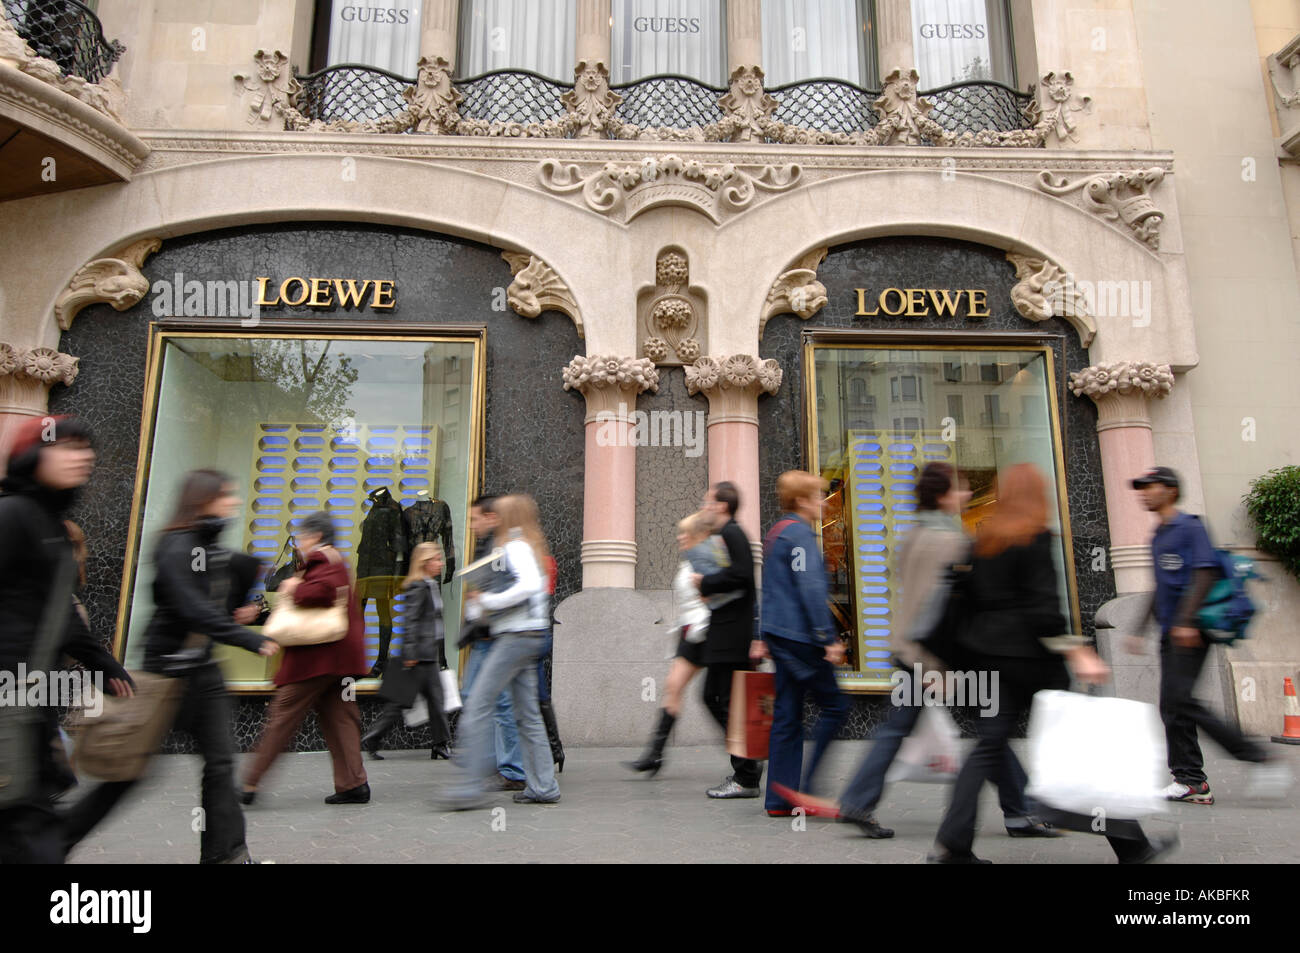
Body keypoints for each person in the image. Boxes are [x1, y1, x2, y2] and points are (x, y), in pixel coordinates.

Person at [929, 463, 1170, 864]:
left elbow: (964, 601)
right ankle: (1133, 847)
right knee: (1079, 747)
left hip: (987, 662)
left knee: (986, 749)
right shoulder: (1034, 536)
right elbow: (1043, 609)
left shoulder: (983, 538)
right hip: (1030, 661)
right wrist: (1078, 650)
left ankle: (953, 845)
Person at [834, 462, 1059, 839]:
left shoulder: (913, 535)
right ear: (943, 496)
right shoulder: (954, 542)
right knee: (992, 728)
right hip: (941, 657)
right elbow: (945, 606)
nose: (967, 495)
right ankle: (1020, 811)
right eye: (961, 489)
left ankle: (859, 800)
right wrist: (943, 664)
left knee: (902, 728)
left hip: (908, 648)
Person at [67, 468, 278, 863]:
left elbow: (214, 602)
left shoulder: (207, 547)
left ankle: (227, 854)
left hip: (203, 674)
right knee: (129, 773)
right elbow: (189, 607)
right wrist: (248, 638)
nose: (233, 502)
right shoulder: (176, 546)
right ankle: (58, 840)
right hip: (166, 673)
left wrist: (243, 599)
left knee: (219, 764)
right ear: (202, 500)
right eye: (226, 496)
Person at [0, 416, 135, 864]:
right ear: (33, 455)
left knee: (31, 819)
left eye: (86, 448)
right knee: (30, 828)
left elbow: (60, 615)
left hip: (28, 701)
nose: (84, 456)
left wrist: (105, 666)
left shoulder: (51, 525)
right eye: (67, 447)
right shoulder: (12, 514)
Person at [1129, 466, 1291, 803]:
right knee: (1173, 706)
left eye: (1150, 486)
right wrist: (1139, 629)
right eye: (1141, 487)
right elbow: (1159, 586)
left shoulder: (1190, 528)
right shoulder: (1159, 535)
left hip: (1190, 631)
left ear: (1170, 490)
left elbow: (1205, 572)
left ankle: (1261, 759)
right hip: (1170, 631)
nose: (1143, 492)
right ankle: (1191, 781)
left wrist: (1187, 621)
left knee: (1182, 701)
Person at [241, 509, 369, 805]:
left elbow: (322, 592)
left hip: (317, 658)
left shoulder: (323, 557)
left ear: (317, 536)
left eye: (303, 535)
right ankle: (353, 784)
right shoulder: (336, 559)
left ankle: (249, 783)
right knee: (342, 719)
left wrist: (294, 587)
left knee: (282, 717)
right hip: (339, 659)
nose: (299, 542)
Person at [439, 494, 559, 808]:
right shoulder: (528, 545)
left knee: (478, 704)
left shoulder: (515, 547)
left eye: (499, 514)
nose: (493, 518)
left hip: (515, 637)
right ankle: (543, 786)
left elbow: (529, 585)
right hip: (529, 635)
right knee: (527, 714)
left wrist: (488, 602)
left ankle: (467, 788)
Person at [759, 471, 851, 816]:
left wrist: (763, 636)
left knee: (786, 716)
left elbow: (768, 589)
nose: (822, 504)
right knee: (837, 706)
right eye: (816, 497)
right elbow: (811, 590)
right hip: (803, 640)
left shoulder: (776, 533)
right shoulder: (799, 535)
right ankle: (809, 790)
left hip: (782, 639)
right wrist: (828, 639)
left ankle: (779, 800)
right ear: (800, 501)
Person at [625, 510, 738, 775]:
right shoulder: (691, 558)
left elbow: (722, 591)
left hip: (707, 631)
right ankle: (654, 755)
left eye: (685, 533)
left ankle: (744, 753)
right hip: (690, 632)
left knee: (712, 698)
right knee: (673, 686)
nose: (680, 538)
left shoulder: (710, 555)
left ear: (699, 534)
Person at [694, 481, 764, 799]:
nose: (705, 506)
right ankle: (747, 766)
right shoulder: (727, 534)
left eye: (709, 502)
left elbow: (743, 576)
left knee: (718, 699)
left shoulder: (733, 533)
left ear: (722, 505)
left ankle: (747, 772)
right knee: (720, 699)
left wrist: (704, 581)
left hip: (733, 635)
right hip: (727, 631)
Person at [459, 495, 527, 791]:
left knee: (492, 701)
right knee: (482, 698)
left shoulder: (508, 547)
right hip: (486, 634)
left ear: (491, 517)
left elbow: (525, 587)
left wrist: (484, 599)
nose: (472, 525)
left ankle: (508, 768)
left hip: (496, 635)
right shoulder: (490, 545)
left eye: (475, 519)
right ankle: (495, 764)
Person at [361, 541, 452, 760]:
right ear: (424, 562)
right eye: (436, 559)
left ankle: (439, 743)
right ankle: (374, 737)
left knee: (430, 699)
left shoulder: (429, 584)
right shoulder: (418, 586)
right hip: (418, 655)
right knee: (407, 700)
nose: (440, 563)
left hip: (427, 653)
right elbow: (410, 621)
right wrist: (411, 653)